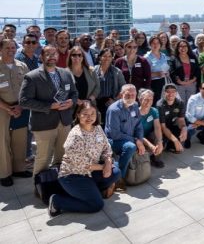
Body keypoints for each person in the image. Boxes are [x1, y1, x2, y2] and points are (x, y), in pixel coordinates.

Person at [47, 101, 121, 217]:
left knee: (116, 172)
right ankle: (57, 201)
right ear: (78, 115)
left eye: (92, 114)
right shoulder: (76, 136)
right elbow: (82, 164)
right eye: (85, 114)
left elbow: (106, 147)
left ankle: (92, 192)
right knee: (96, 205)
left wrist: (108, 161)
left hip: (91, 172)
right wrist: (104, 167)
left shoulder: (97, 128)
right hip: (74, 175)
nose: (89, 117)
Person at [19, 45, 79, 176]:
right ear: (41, 57)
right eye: (48, 54)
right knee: (43, 159)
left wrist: (71, 102)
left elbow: (74, 93)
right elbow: (24, 101)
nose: (52, 57)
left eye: (54, 54)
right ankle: (39, 185)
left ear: (58, 56)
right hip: (44, 124)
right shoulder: (32, 76)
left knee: (62, 156)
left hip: (64, 122)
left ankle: (58, 182)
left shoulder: (66, 73)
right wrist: (49, 106)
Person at [0, 39, 31, 187]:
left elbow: (29, 87)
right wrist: (7, 108)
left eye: (13, 47)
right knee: (2, 142)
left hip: (20, 108)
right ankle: (4, 173)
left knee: (20, 140)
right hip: (2, 110)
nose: (11, 50)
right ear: (1, 49)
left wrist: (20, 106)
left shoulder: (22, 66)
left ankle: (19, 169)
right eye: (7, 48)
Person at [104, 84, 145, 190]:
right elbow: (115, 134)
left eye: (133, 95)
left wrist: (140, 139)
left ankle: (116, 167)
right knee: (130, 147)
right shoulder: (114, 110)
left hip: (129, 138)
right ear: (121, 94)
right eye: (127, 94)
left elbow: (139, 125)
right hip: (113, 140)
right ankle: (118, 177)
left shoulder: (135, 106)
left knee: (135, 145)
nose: (131, 97)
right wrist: (135, 140)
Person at [93, 49, 126, 125]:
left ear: (112, 58)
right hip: (95, 102)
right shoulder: (93, 70)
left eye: (109, 56)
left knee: (108, 123)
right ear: (100, 57)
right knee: (96, 124)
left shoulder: (117, 71)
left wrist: (115, 100)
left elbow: (123, 88)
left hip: (110, 102)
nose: (107, 58)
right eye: (104, 56)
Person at [156, 83, 187, 153]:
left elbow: (181, 120)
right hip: (160, 128)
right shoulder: (160, 105)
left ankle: (171, 146)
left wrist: (184, 128)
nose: (170, 94)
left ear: (176, 93)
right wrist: (175, 140)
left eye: (173, 91)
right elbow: (163, 127)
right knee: (161, 147)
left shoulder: (180, 103)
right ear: (164, 93)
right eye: (168, 91)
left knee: (182, 131)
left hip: (171, 125)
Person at [137, 89, 164, 168]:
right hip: (138, 137)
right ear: (140, 100)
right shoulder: (136, 114)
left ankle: (156, 158)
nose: (148, 102)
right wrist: (151, 145)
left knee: (157, 137)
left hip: (148, 135)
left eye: (151, 99)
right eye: (146, 99)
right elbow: (137, 134)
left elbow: (157, 127)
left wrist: (159, 142)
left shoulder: (154, 111)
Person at [170, 40, 200, 108]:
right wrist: (179, 81)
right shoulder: (174, 58)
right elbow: (172, 72)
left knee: (191, 103)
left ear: (188, 47)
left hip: (191, 84)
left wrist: (192, 80)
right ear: (177, 48)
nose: (183, 48)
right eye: (180, 46)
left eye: (185, 46)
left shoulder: (193, 57)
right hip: (179, 85)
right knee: (181, 103)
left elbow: (197, 70)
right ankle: (182, 115)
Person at [145, 35, 171, 104]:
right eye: (153, 43)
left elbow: (166, 68)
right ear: (150, 44)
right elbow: (144, 75)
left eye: (157, 43)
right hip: (153, 84)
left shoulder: (163, 56)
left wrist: (167, 72)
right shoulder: (146, 57)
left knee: (163, 103)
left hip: (164, 82)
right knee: (155, 103)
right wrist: (157, 74)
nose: (155, 45)